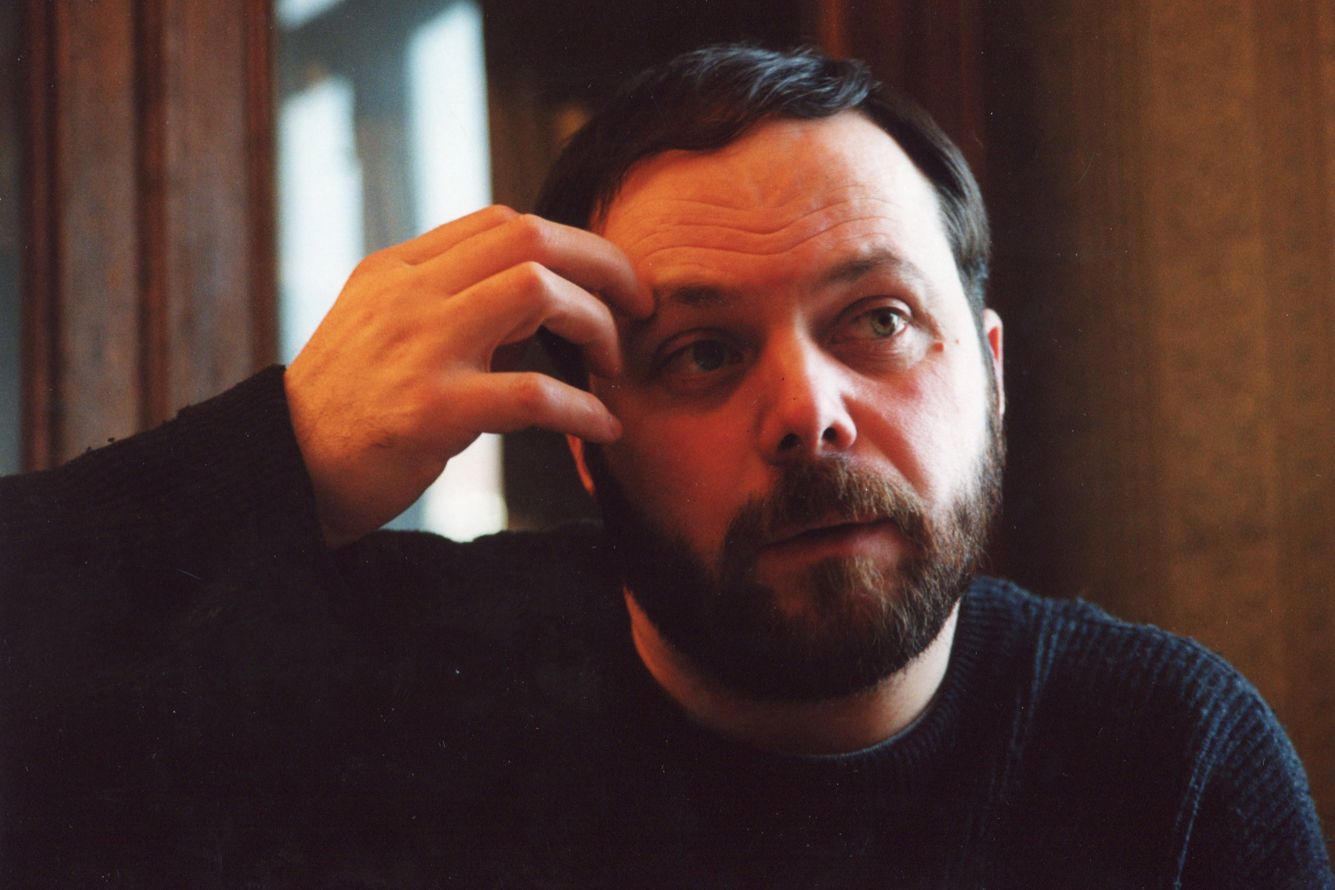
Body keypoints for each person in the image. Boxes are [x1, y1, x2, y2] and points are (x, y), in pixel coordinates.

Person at [1, 45, 1329, 888]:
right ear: (588, 444)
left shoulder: (1170, 761)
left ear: (989, 374)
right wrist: (278, 449)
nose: (809, 412)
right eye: (701, 352)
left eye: (877, 320)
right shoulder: (393, 691)